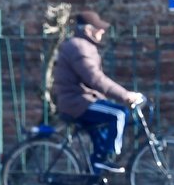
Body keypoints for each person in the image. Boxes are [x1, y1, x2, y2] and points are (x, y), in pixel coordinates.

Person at [53, 10, 144, 174]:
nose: (102, 31)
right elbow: (94, 78)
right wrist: (125, 95)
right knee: (119, 114)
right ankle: (109, 158)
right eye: (99, 28)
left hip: (82, 100)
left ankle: (92, 178)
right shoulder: (78, 47)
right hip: (77, 102)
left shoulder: (83, 46)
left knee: (101, 137)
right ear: (88, 30)